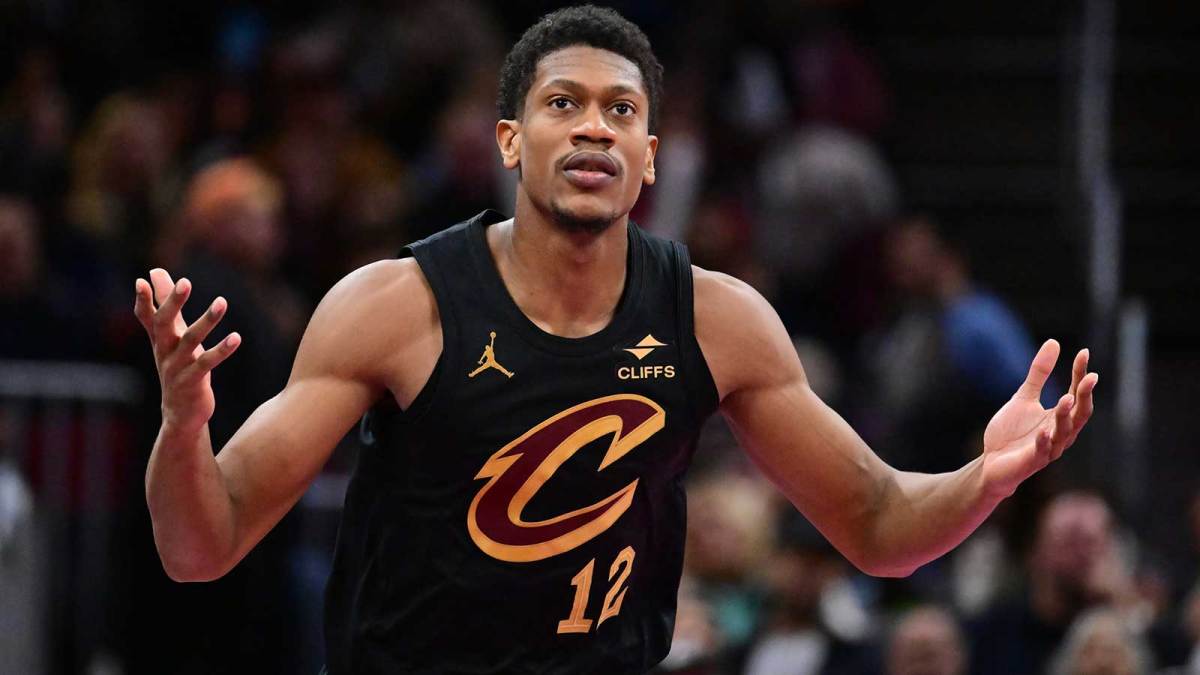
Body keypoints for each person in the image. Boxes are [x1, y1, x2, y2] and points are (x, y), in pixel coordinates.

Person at [132, 6, 1098, 674]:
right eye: (563, 104)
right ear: (510, 141)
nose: (593, 127)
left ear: (649, 160)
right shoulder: (398, 305)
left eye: (621, 111)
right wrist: (184, 424)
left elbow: (881, 527)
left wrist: (988, 478)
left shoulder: (714, 319)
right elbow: (199, 545)